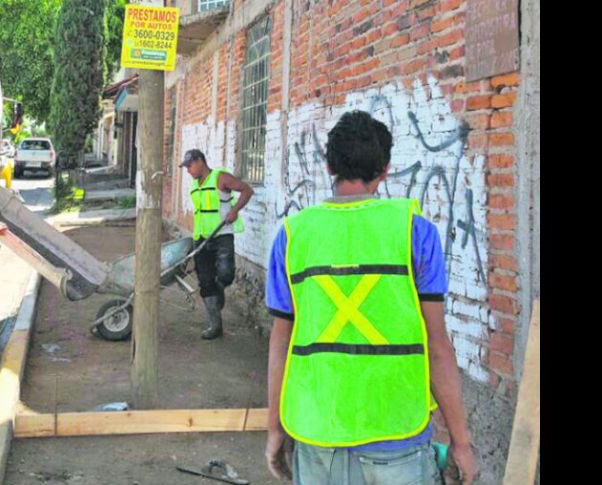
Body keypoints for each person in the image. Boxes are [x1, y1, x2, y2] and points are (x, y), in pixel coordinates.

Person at [264, 111, 478, 484]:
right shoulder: (415, 232)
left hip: (316, 432)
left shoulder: (292, 235)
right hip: (397, 433)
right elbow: (437, 344)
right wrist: (461, 443)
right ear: (385, 169)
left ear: (329, 166)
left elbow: (280, 342)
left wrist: (274, 430)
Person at [180, 149, 254, 339]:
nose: (188, 170)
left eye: (190, 166)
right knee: (205, 281)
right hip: (201, 238)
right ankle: (215, 326)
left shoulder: (220, 178)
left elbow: (247, 189)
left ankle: (219, 286)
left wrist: (235, 210)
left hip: (222, 235)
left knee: (226, 273)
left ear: (200, 161)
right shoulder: (194, 185)